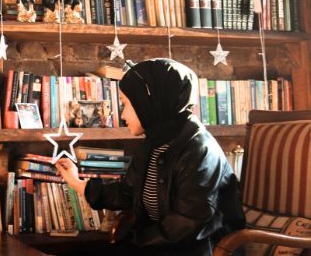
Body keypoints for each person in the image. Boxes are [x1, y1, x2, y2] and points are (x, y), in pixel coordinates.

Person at [55, 58, 244, 256]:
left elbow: (187, 225)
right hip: (160, 246)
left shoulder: (200, 150)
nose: (123, 115)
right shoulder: (154, 143)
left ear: (150, 103)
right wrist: (77, 182)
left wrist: (133, 240)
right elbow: (127, 193)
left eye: (125, 104)